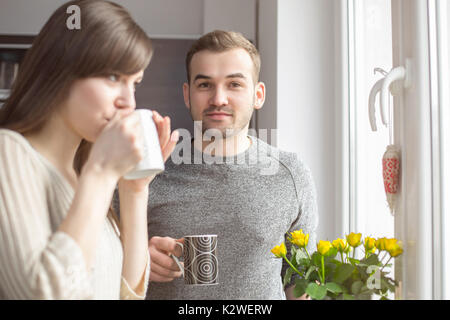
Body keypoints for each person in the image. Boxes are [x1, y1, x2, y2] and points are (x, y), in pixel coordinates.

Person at [0, 0, 178, 299]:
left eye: (134, 83)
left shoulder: (82, 174)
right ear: (61, 70)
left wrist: (134, 189)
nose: (129, 102)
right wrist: (101, 173)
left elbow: (124, 293)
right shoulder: (10, 153)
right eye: (113, 77)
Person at [146, 30, 319, 300]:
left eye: (234, 84)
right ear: (187, 94)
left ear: (258, 94)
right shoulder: (148, 172)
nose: (218, 99)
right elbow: (101, 263)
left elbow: (301, 280)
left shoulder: (290, 174)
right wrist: (139, 261)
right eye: (205, 85)